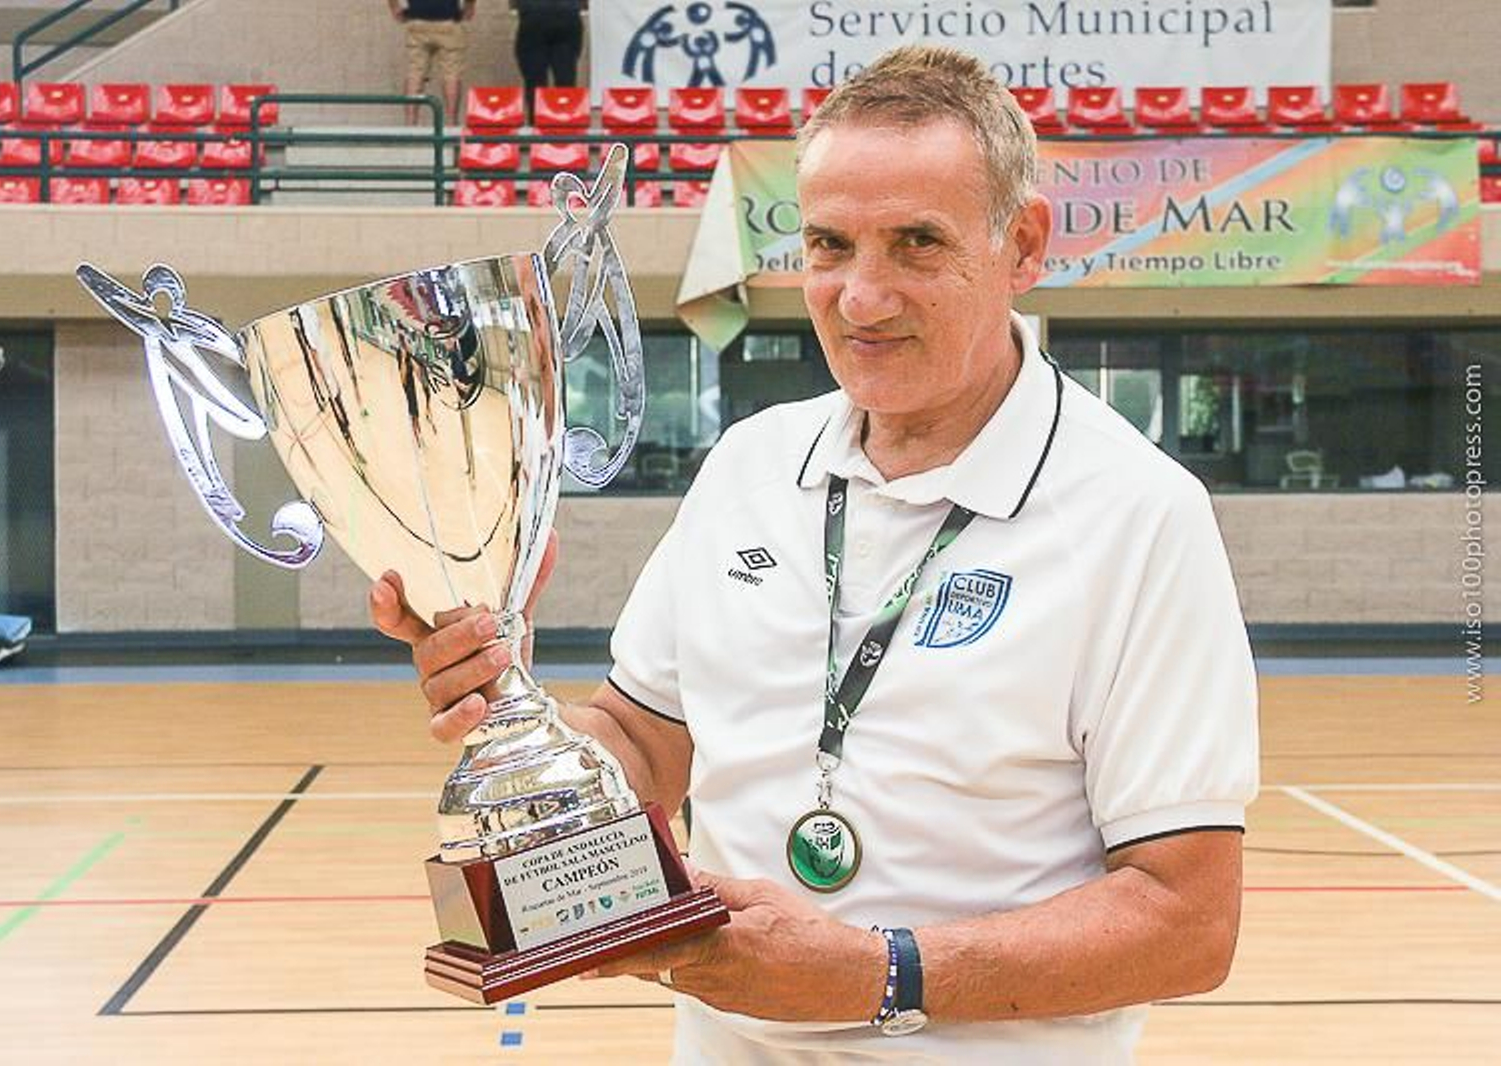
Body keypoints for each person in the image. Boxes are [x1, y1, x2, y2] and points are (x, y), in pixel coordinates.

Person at [372, 44, 1259, 1064]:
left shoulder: (1139, 515)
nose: (861, 296)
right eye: (830, 244)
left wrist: (882, 972)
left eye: (917, 243)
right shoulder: (750, 464)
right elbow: (644, 741)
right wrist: (510, 703)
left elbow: (1189, 921)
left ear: (1021, 246)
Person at [387, 0, 476, 125]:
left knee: (415, 73)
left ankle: (410, 125)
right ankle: (451, 123)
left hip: (417, 19)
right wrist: (469, 6)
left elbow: (395, 7)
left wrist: (394, 6)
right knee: (451, 75)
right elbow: (469, 6)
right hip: (448, 19)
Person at [511, 0, 586, 123]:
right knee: (565, 79)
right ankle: (565, 130)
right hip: (567, 14)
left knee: (535, 81)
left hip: (534, 14)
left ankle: (537, 129)